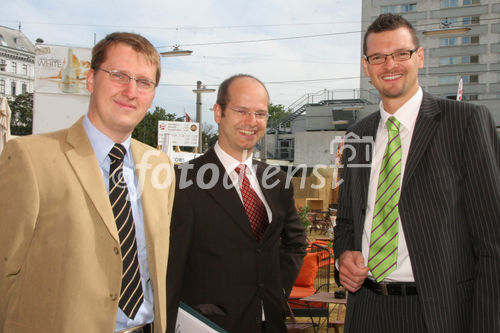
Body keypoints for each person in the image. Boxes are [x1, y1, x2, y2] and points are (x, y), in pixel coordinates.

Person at [334, 13, 500, 333]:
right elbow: (346, 223)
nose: (390, 65)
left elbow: (493, 242)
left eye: (401, 54)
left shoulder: (465, 123)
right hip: (366, 309)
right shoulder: (357, 136)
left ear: (420, 57)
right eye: (378, 57)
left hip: (438, 314)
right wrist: (344, 256)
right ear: (366, 67)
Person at [0, 32, 175, 333]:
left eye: (144, 82)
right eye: (119, 75)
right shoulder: (30, 158)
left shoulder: (159, 166)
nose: (131, 91)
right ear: (91, 80)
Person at [167, 74, 307, 333]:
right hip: (210, 324)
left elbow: (296, 243)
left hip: (271, 323)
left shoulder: (277, 181)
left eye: (260, 114)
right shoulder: (182, 182)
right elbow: (170, 266)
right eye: (241, 111)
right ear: (218, 112)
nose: (251, 122)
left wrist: (276, 289)